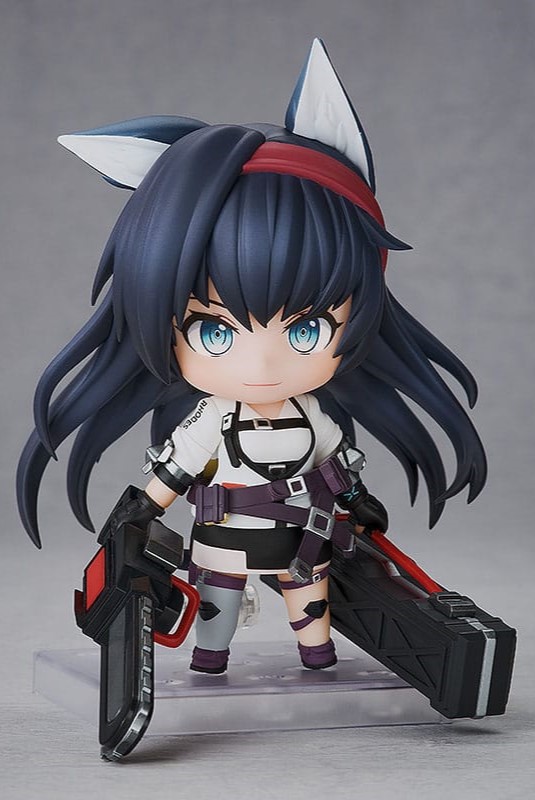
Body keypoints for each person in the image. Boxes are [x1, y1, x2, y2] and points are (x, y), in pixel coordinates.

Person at [17, 39, 486, 676]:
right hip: (223, 541)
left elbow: (335, 463)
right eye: (214, 333)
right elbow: (175, 470)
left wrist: (356, 499)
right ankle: (211, 662)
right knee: (217, 611)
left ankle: (316, 657)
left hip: (305, 538)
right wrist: (141, 510)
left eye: (307, 330)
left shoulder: (310, 413)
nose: (261, 366)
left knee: (310, 606)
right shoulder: (213, 418)